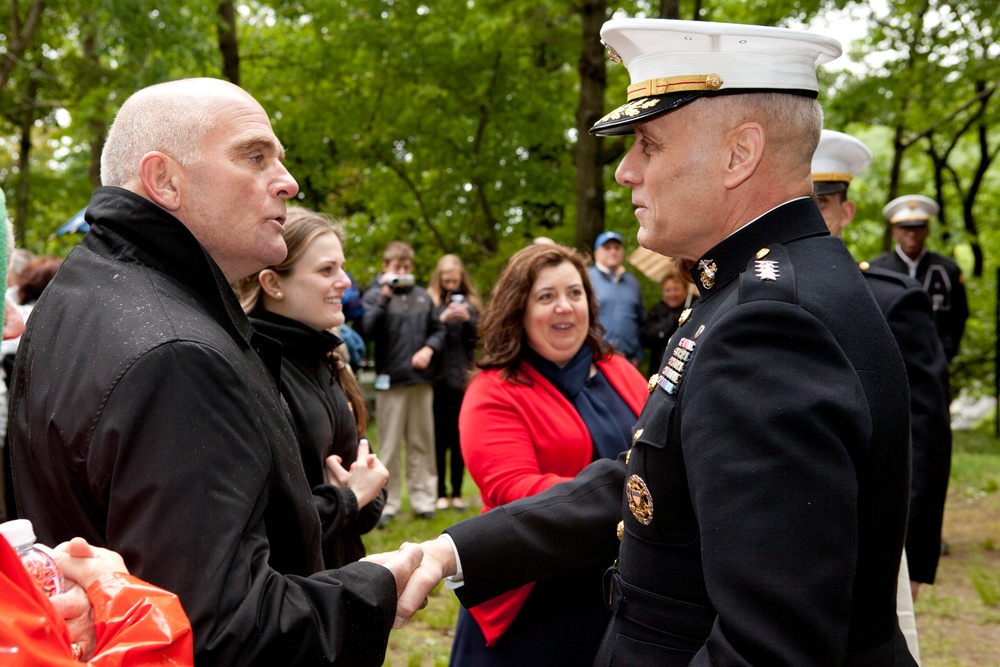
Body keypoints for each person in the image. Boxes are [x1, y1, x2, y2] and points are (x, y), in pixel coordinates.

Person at [371, 19, 917, 665]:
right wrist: (453, 551)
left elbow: (768, 646)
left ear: (739, 154)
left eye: (648, 144)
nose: (627, 171)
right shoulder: (770, 286)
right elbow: (651, 487)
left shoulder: (769, 325)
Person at [7, 78, 423, 667]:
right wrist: (373, 583)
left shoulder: (80, 293)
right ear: (165, 180)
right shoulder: (177, 354)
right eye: (254, 157)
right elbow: (222, 634)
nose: (288, 181)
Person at [450, 243, 647, 665]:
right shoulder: (493, 392)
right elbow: (514, 490)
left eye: (575, 294)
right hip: (538, 602)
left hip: (624, 592)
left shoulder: (618, 370)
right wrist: (635, 495)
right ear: (517, 308)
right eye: (546, 297)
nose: (565, 307)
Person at [813, 128, 954, 662]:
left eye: (820, 203)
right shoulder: (751, 291)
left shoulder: (889, 302)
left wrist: (915, 551)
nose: (806, 214)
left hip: (869, 535)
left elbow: (925, 432)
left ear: (847, 213)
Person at [236, 206, 388, 569]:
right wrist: (349, 499)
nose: (346, 282)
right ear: (273, 284)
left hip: (341, 589)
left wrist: (361, 495)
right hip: (291, 603)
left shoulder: (330, 360)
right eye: (326, 270)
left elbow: (364, 489)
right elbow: (262, 528)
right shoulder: (251, 370)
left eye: (342, 266)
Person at [360, 241, 444, 525]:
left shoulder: (422, 297)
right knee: (390, 445)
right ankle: (389, 503)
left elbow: (439, 329)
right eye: (398, 267)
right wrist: (384, 295)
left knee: (422, 442)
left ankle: (423, 500)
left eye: (407, 267)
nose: (403, 272)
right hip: (390, 381)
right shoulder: (374, 296)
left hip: (421, 380)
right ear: (386, 267)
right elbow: (368, 329)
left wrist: (429, 349)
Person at [869, 194, 969, 361]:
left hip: (935, 360)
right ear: (894, 232)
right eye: (905, 228)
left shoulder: (948, 269)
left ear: (927, 231)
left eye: (917, 228)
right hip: (891, 362)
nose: (912, 234)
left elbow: (959, 314)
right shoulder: (877, 270)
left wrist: (947, 351)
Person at [426, 253, 481, 512]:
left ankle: (457, 492)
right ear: (439, 279)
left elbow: (481, 338)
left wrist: (468, 319)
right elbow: (425, 335)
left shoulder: (471, 303)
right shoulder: (430, 302)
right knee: (439, 438)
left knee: (459, 438)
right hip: (437, 379)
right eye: (446, 281)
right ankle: (440, 493)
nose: (450, 286)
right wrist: (442, 319)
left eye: (454, 281)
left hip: (463, 378)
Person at [588, 231, 644, 367]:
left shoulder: (632, 282)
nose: (613, 251)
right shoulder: (587, 279)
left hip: (629, 360)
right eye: (607, 248)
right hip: (596, 359)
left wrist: (637, 355)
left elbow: (640, 320)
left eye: (617, 248)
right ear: (596, 253)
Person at [639, 271, 696, 376]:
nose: (672, 294)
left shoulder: (694, 308)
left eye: (676, 289)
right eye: (668, 290)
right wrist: (670, 321)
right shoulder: (657, 309)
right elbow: (646, 338)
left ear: (685, 291)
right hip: (659, 367)